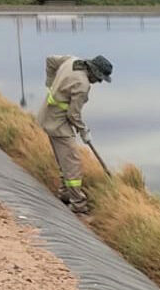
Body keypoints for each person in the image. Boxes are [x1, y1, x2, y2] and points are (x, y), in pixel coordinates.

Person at [38, 54, 112, 214]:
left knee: (64, 158)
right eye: (99, 78)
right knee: (73, 162)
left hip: (48, 114)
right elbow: (73, 115)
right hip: (58, 123)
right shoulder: (82, 85)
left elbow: (50, 60)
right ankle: (78, 203)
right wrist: (84, 131)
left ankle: (64, 194)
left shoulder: (71, 60)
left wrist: (50, 84)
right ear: (94, 72)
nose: (98, 82)